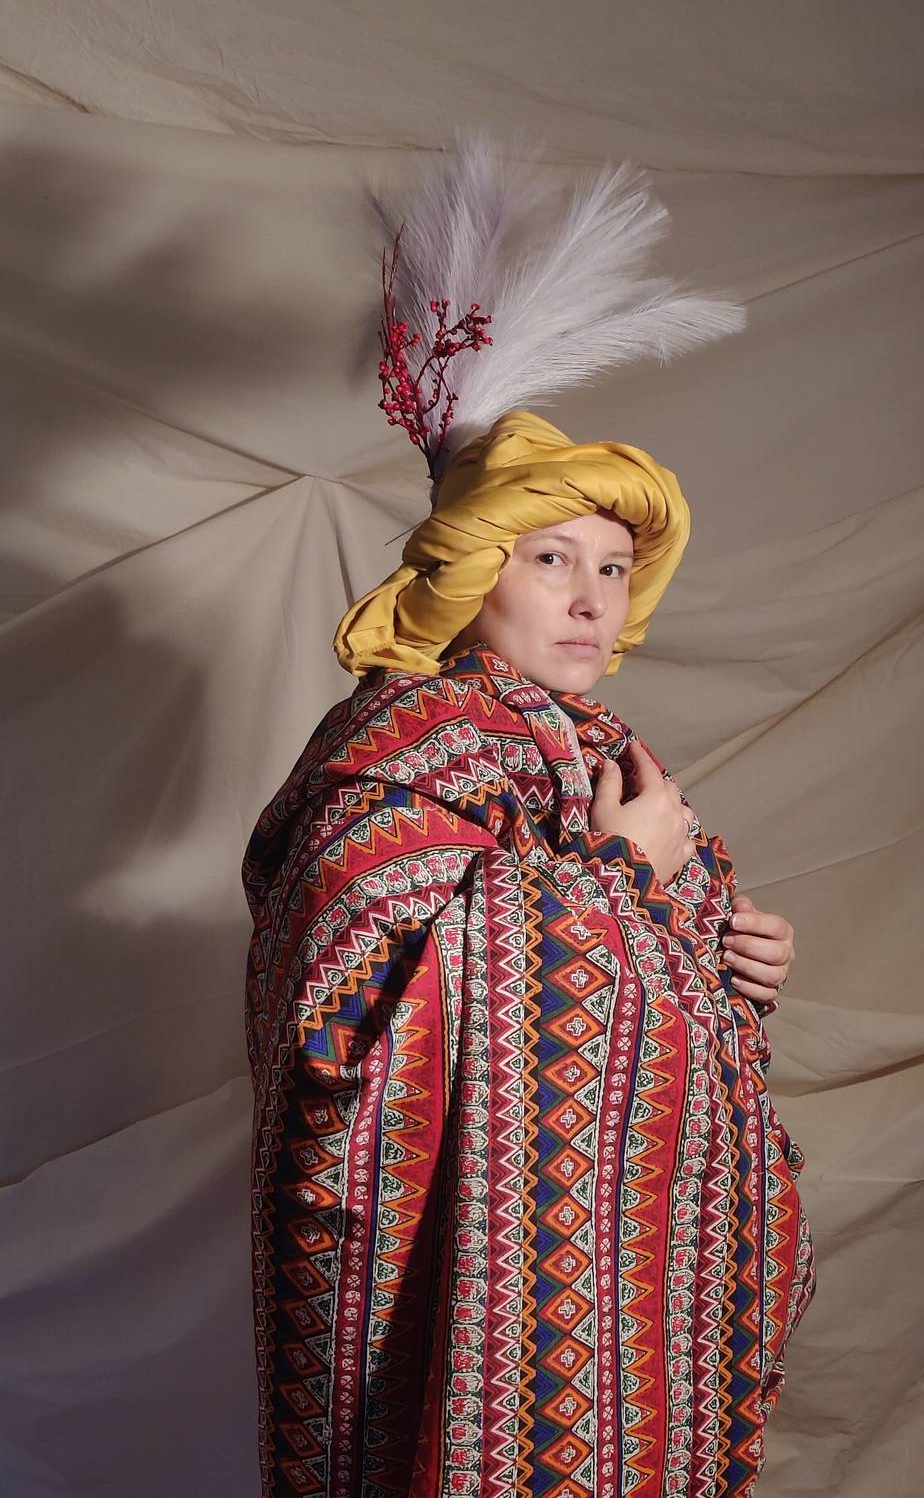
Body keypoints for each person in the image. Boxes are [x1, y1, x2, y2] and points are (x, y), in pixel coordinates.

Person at [242, 146, 814, 1498]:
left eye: (614, 568)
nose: (592, 598)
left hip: (624, 1292)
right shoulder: (393, 752)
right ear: (473, 578)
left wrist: (733, 964)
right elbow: (347, 1017)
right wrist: (616, 880)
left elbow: (656, 996)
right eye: (551, 559)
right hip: (454, 1300)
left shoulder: (605, 753)